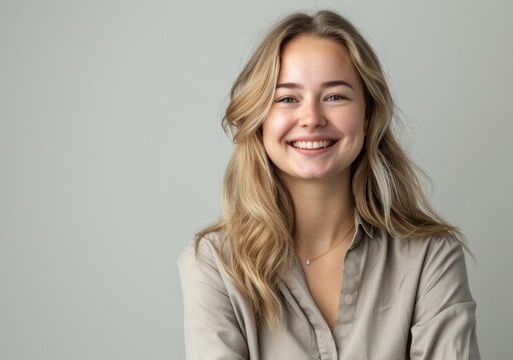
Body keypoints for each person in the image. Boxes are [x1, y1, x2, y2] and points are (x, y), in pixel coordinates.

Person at [178, 10, 480, 359]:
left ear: (367, 116)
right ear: (259, 120)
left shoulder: (431, 257)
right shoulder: (214, 265)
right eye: (287, 98)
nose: (311, 119)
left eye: (335, 96)